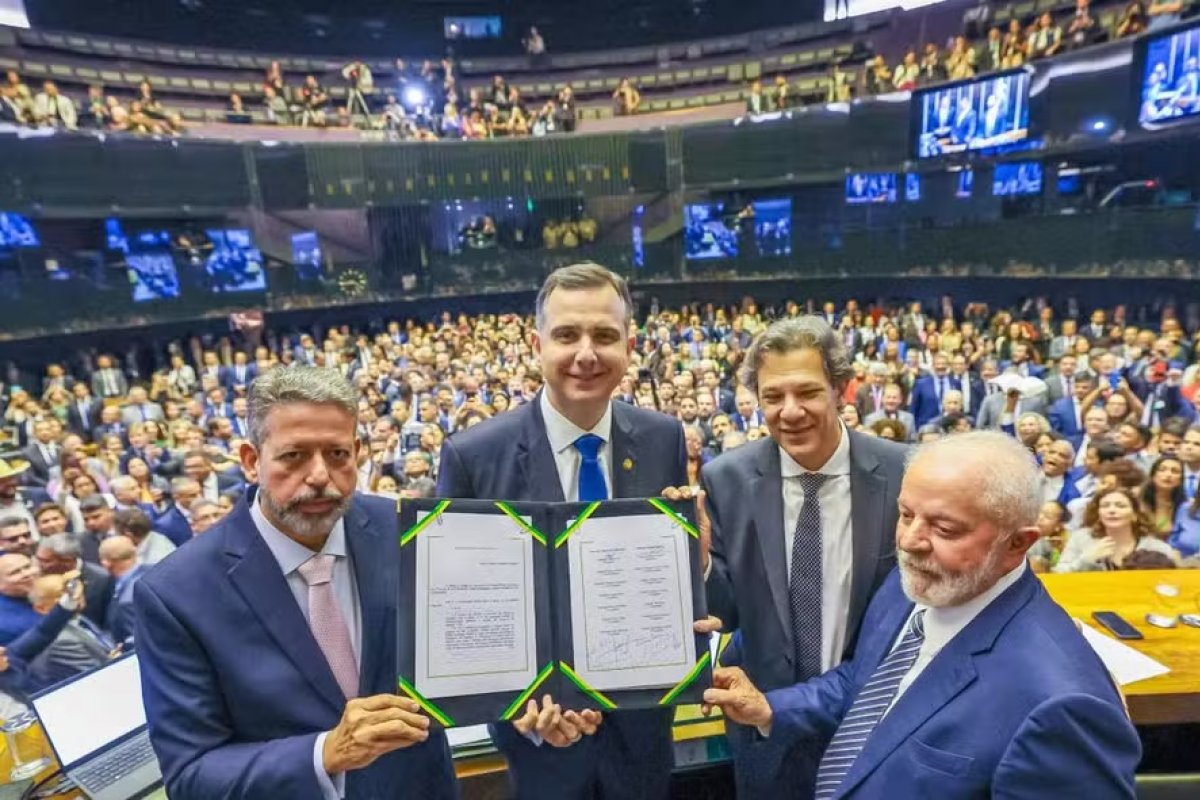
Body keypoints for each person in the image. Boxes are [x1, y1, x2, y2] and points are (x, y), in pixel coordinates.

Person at [702, 431, 1141, 799]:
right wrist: (768, 708)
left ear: (1017, 544)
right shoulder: (918, 579)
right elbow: (864, 681)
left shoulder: (1065, 708)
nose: (910, 541)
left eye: (944, 528)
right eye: (906, 513)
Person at [134, 366, 456, 799]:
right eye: (294, 456)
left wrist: (527, 705)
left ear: (358, 453)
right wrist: (324, 754)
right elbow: (191, 774)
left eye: (338, 454)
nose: (320, 475)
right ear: (252, 461)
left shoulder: (408, 531)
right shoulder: (176, 594)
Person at [437, 263, 685, 800]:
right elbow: (459, 617)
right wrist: (525, 710)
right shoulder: (473, 457)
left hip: (642, 740)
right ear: (536, 343)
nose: (586, 353)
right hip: (539, 746)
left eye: (604, 335)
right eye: (567, 334)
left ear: (630, 343)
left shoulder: (665, 439)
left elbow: (673, 579)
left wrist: (698, 577)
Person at [697, 316, 907, 799]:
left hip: (870, 723)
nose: (789, 412)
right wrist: (702, 562)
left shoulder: (901, 473)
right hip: (762, 724)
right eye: (772, 397)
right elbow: (725, 612)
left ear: (843, 390)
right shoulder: (726, 479)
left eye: (807, 392)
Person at [1054, 486, 1180, 571]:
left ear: (1135, 515)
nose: (1112, 510)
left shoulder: (1154, 546)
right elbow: (1058, 574)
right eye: (1105, 506)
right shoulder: (1081, 538)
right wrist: (1086, 560)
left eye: (1120, 506)